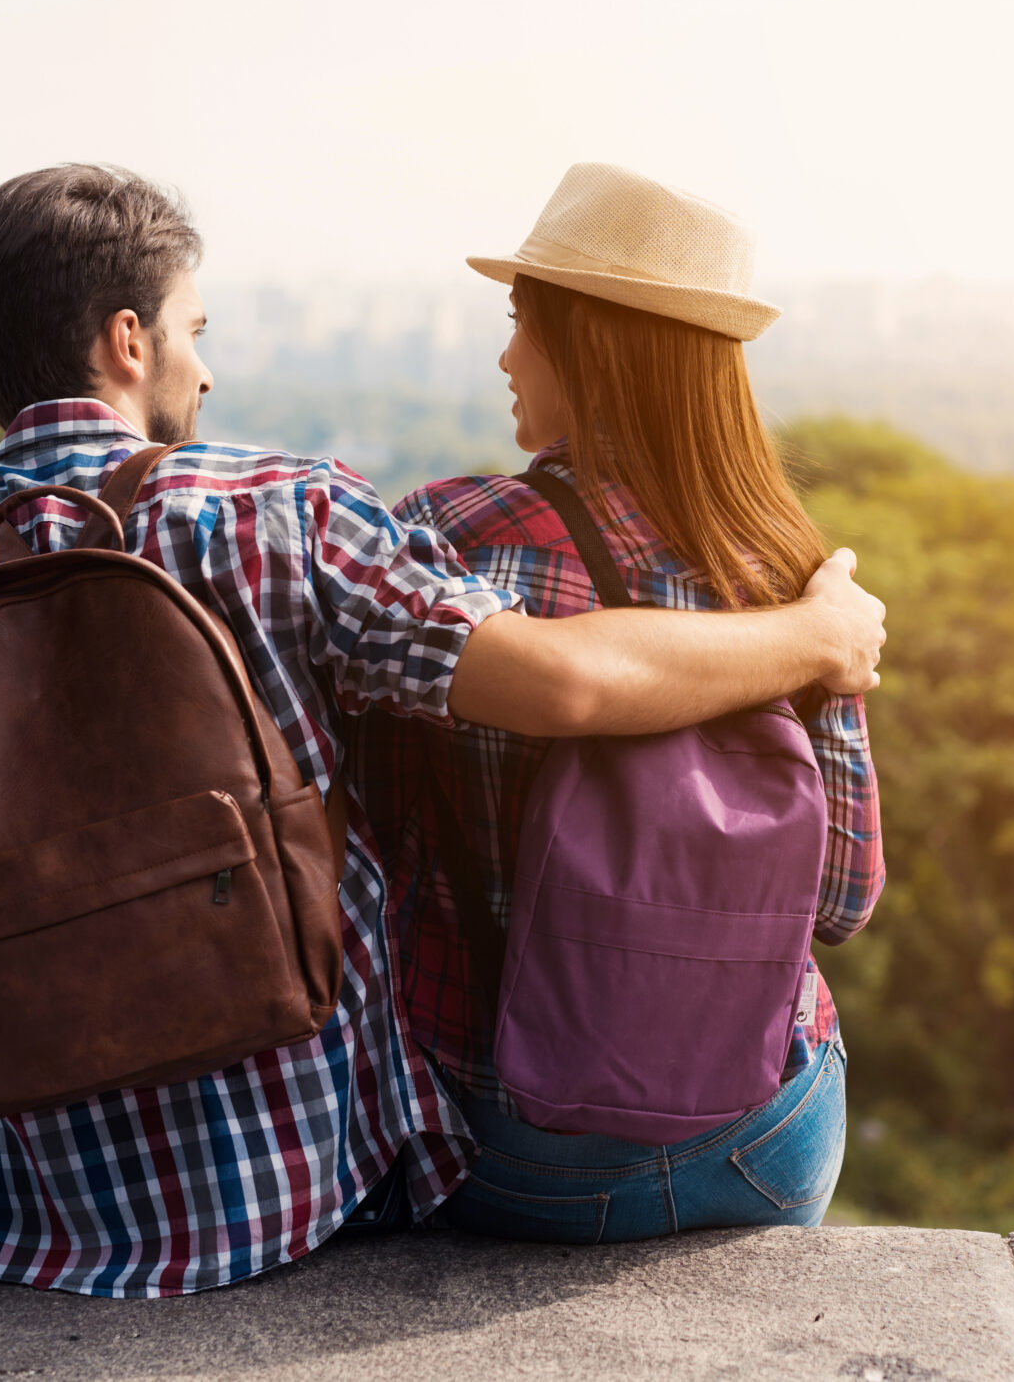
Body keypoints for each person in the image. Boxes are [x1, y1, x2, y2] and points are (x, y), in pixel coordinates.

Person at [0, 164, 885, 1297]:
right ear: (129, 340)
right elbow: (809, 873)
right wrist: (816, 637)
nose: (206, 366)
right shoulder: (283, 514)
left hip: (13, 1214)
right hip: (303, 1181)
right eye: (194, 329)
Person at [359, 163, 885, 1242]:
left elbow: (363, 843)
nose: (507, 354)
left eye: (521, 322)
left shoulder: (451, 535)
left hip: (506, 1142)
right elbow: (840, 897)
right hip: (761, 1135)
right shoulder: (787, 570)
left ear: (588, 342)